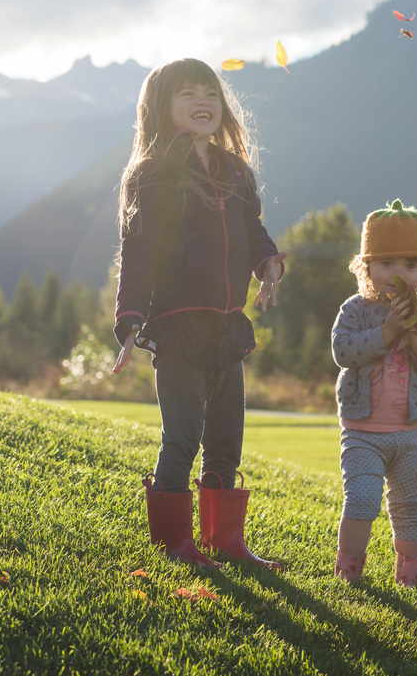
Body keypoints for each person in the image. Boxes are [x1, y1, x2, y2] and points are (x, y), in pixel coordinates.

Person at [113, 58, 286, 570]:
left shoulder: (235, 171)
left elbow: (254, 229)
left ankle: (224, 540)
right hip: (178, 325)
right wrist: (129, 322)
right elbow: (140, 250)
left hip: (228, 326)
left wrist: (268, 263)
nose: (202, 101)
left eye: (209, 92)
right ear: (162, 108)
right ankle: (174, 544)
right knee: (184, 436)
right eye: (187, 94)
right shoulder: (156, 174)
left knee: (226, 439)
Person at [331, 200, 417, 588]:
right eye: (386, 264)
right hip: (363, 430)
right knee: (363, 499)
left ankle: (409, 580)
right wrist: (386, 332)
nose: (398, 273)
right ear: (366, 266)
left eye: (410, 265)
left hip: (411, 435)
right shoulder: (355, 309)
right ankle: (349, 574)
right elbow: (342, 352)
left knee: (409, 508)